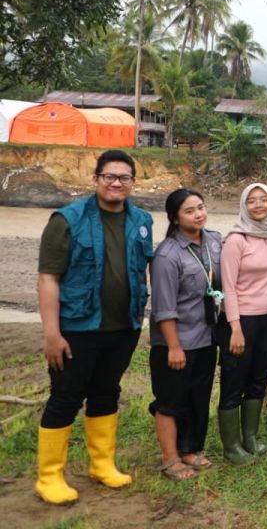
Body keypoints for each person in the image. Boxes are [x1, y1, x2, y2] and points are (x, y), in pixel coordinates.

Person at [34, 150, 154, 504]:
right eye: (109, 176)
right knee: (66, 397)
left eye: (124, 177)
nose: (117, 183)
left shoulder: (142, 220)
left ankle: (102, 464)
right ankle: (49, 476)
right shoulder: (67, 220)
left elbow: (142, 271)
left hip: (124, 327)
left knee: (106, 392)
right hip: (77, 328)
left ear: (133, 182)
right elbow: (48, 279)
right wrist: (52, 334)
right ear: (96, 179)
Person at [148, 189, 221, 480]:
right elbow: (163, 308)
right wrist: (173, 346)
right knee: (170, 400)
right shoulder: (167, 254)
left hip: (206, 336)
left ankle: (190, 449)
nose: (198, 214)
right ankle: (170, 458)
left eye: (201, 207)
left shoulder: (214, 241)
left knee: (197, 396)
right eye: (190, 211)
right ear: (175, 218)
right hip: (177, 341)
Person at [216, 183, 267, 465]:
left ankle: (250, 439)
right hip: (240, 320)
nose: (258, 205)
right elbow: (228, 287)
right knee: (234, 379)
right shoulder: (235, 240)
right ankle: (231, 446)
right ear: (244, 205)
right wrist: (235, 327)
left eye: (263, 200)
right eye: (252, 201)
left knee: (259, 377)